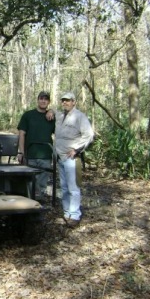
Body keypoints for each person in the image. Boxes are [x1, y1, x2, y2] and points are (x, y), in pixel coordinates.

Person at [53, 92, 94, 227]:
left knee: (73, 187)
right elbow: (51, 112)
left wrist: (76, 149)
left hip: (72, 158)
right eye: (63, 101)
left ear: (74, 102)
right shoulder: (60, 116)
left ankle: (75, 215)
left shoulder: (80, 117)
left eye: (68, 101)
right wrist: (48, 111)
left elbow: (88, 135)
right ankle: (67, 213)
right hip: (60, 157)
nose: (65, 103)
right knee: (64, 187)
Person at [17, 91, 55, 200]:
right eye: (41, 98)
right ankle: (29, 203)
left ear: (48, 102)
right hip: (30, 154)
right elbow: (21, 134)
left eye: (46, 99)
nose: (43, 101)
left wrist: (53, 111)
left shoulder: (52, 117)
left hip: (46, 155)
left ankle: (39, 204)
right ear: (38, 100)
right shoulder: (28, 115)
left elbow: (62, 127)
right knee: (29, 182)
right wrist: (21, 152)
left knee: (42, 183)